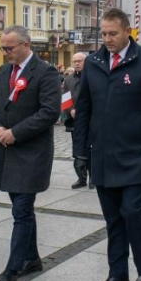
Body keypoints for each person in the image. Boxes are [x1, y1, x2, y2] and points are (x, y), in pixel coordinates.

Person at [73, 8, 141, 281]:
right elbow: (84, 110)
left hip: (135, 156)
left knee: (133, 215)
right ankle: (117, 277)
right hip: (102, 156)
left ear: (128, 31)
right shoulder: (93, 62)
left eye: (112, 33)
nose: (107, 39)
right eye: (103, 33)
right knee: (113, 221)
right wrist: (80, 153)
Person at [0, 26, 60, 281]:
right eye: (3, 48)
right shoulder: (5, 71)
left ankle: (12, 270)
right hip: (6, 149)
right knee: (21, 207)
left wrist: (16, 133)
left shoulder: (45, 72)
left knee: (21, 211)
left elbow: (50, 112)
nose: (5, 53)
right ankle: (32, 259)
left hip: (30, 152)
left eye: (9, 48)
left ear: (26, 45)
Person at [63, 52, 89, 188]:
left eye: (80, 61)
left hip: (91, 119)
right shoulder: (68, 80)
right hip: (74, 119)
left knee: (91, 148)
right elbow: (64, 98)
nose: (77, 63)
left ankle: (94, 177)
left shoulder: (92, 77)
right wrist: (70, 110)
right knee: (77, 148)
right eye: (75, 61)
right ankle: (81, 177)